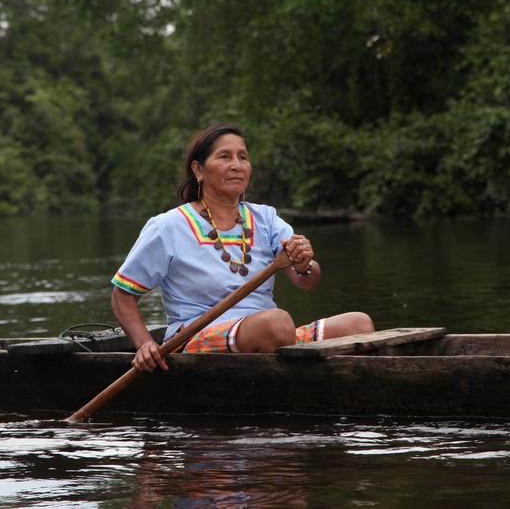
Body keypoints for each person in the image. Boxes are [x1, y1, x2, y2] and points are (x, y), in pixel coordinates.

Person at [111, 123, 374, 372]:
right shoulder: (167, 226)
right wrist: (145, 343)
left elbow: (306, 281)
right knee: (277, 322)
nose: (237, 165)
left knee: (359, 323)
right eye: (224, 157)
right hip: (194, 338)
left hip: (270, 333)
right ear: (199, 170)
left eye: (243, 158)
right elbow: (123, 295)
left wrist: (304, 264)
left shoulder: (265, 218)